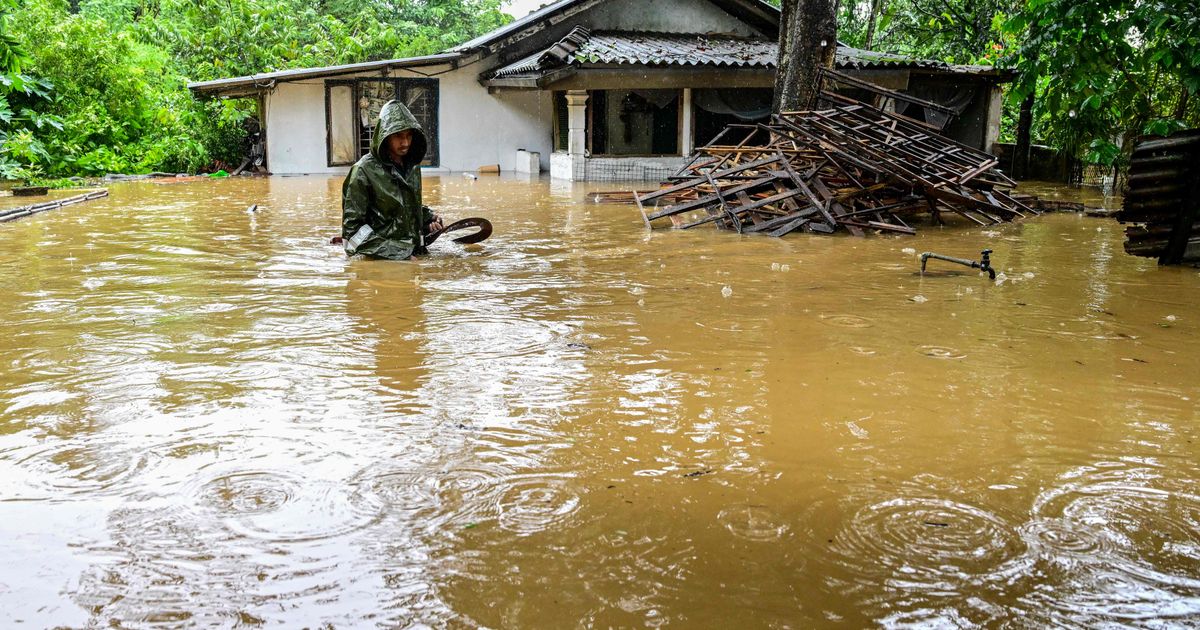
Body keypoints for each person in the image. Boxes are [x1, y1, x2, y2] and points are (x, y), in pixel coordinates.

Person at [342, 99, 443, 259]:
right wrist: (398, 254)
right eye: (398, 136)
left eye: (409, 136)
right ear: (384, 136)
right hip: (380, 261)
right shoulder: (363, 170)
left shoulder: (413, 166)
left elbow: (403, 207)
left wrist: (428, 219)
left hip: (413, 254)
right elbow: (353, 234)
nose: (405, 143)